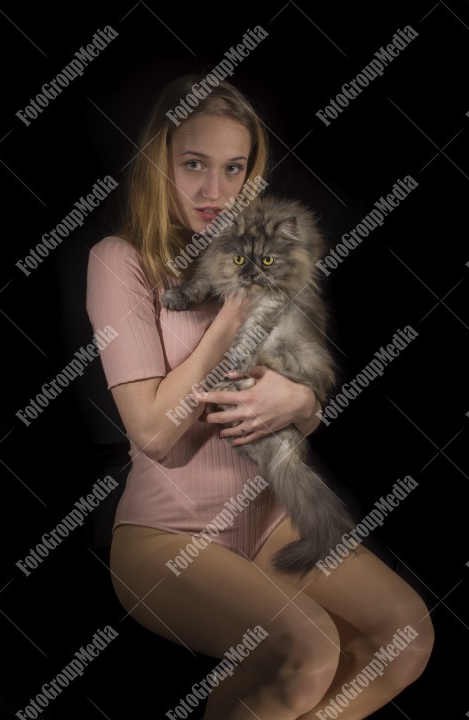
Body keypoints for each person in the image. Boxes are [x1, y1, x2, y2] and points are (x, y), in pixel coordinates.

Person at [86, 74, 434, 719]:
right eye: (193, 163)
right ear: (158, 161)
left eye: (232, 167)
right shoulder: (121, 260)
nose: (213, 190)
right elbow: (155, 435)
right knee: (304, 648)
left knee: (402, 636)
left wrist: (301, 405)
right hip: (168, 535)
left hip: (270, 519)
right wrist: (229, 316)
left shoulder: (264, 246)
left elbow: (305, 390)